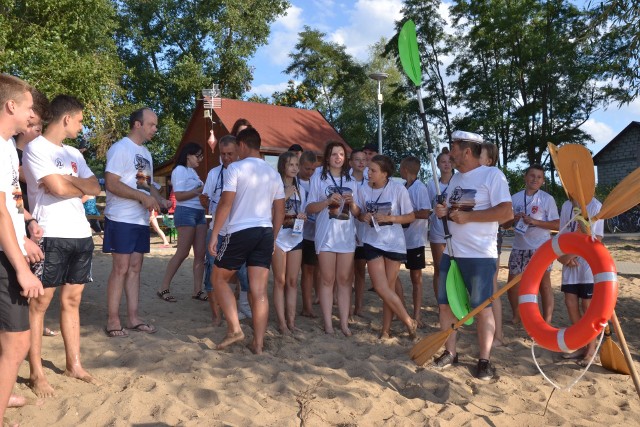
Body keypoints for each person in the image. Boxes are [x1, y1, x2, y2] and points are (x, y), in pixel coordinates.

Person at [23, 95, 102, 397]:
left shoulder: (74, 153)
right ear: (66, 118)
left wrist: (68, 182)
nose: (81, 126)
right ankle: (36, 372)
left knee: (72, 301)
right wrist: (72, 184)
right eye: (80, 120)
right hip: (51, 234)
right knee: (40, 303)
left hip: (80, 234)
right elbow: (54, 188)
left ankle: (74, 364)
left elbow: (95, 187)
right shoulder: (35, 148)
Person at [432, 130, 512, 380]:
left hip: (479, 256)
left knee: (481, 308)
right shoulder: (455, 179)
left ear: (467, 151)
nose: (450, 153)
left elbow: (506, 213)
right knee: (445, 305)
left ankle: (484, 360)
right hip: (452, 253)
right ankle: (450, 352)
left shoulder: (492, 175)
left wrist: (469, 217)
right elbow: (453, 209)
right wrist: (442, 210)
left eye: (453, 148)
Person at [208, 128, 284, 354]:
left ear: (241, 145)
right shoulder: (273, 174)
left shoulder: (235, 168)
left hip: (240, 230)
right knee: (259, 291)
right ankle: (258, 344)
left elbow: (226, 204)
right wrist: (274, 237)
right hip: (265, 231)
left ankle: (234, 329)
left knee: (218, 278)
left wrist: (215, 233)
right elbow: (279, 210)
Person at [0, 73, 45, 423]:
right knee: (17, 342)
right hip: (4, 256)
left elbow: (12, 201)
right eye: (29, 107)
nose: (32, 115)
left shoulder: (8, 148)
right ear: (11, 105)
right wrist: (20, 266)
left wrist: (26, 229)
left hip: (11, 244)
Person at [103, 107, 169, 337]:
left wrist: (158, 198)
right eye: (152, 124)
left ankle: (132, 317)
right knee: (120, 269)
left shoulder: (145, 153)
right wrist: (142, 197)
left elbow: (143, 183)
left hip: (140, 220)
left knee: (135, 269)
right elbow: (111, 183)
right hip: (121, 217)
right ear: (137, 124)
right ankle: (113, 319)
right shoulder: (120, 148)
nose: (155, 129)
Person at [357, 155, 417, 339]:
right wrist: (363, 217)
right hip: (372, 241)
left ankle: (385, 331)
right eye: (368, 169)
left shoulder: (398, 189)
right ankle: (408, 321)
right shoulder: (363, 189)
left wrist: (390, 218)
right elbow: (359, 213)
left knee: (388, 289)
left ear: (385, 174)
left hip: (394, 242)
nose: (369, 173)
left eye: (373, 170)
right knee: (380, 286)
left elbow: (411, 216)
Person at [306, 141, 360, 336]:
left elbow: (358, 212)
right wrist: (327, 201)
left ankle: (344, 323)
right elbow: (309, 207)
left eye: (341, 154)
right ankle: (328, 323)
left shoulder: (351, 180)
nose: (338, 157)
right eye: (334, 154)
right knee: (327, 279)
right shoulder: (318, 177)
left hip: (346, 236)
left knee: (344, 280)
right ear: (327, 157)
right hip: (326, 235)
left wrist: (353, 204)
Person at [201, 135, 249, 324]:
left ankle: (244, 308)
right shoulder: (215, 173)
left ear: (238, 151)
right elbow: (205, 197)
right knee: (212, 271)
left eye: (230, 153)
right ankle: (216, 315)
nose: (227, 158)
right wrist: (205, 200)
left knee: (244, 273)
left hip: (239, 230)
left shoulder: (245, 172)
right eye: (223, 154)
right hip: (218, 230)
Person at [505, 164, 559, 326]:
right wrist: (513, 219)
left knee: (544, 285)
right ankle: (517, 315)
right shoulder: (514, 198)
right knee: (512, 284)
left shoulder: (546, 199)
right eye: (532, 175)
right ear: (525, 177)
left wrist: (534, 221)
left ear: (543, 181)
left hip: (541, 248)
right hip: (519, 247)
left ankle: (546, 320)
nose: (535, 179)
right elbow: (503, 224)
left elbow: (557, 224)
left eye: (539, 177)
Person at [157, 143, 207, 302]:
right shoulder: (179, 170)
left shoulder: (193, 172)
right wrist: (198, 191)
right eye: (197, 155)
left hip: (199, 212)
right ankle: (163, 287)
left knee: (200, 254)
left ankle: (197, 290)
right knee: (183, 252)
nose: (200, 159)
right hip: (186, 212)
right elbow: (178, 196)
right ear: (188, 155)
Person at [558, 196, 604, 367]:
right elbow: (562, 233)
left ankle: (591, 349)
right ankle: (581, 344)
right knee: (570, 303)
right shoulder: (566, 204)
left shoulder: (595, 205)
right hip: (569, 263)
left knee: (587, 307)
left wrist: (571, 255)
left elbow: (596, 237)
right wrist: (563, 258)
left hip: (587, 264)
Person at [272, 152, 307, 334]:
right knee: (280, 280)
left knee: (293, 281)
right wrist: (284, 196)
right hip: (278, 236)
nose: (294, 168)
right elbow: (269, 212)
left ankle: (291, 322)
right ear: (283, 166)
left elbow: (304, 210)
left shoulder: (301, 187)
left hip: (295, 236)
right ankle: (282, 323)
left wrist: (302, 216)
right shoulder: (274, 185)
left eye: (296, 165)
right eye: (291, 164)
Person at [396, 156, 431, 328]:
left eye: (401, 167)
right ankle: (400, 309)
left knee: (416, 278)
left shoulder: (420, 188)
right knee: (393, 276)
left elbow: (426, 212)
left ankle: (417, 315)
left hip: (415, 239)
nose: (399, 170)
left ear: (406, 169)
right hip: (400, 239)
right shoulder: (402, 187)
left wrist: (407, 216)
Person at [479, 142, 505, 346]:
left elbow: (503, 213)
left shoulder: (494, 176)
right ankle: (491, 331)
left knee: (492, 287)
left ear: (489, 160)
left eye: (480, 155)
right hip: (477, 243)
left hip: (490, 240)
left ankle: (499, 334)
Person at [427, 148, 453, 300]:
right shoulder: (432, 184)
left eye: (449, 161)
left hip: (455, 231)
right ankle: (441, 302)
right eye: (443, 162)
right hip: (437, 231)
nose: (447, 164)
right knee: (440, 268)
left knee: (454, 268)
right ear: (437, 165)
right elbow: (429, 207)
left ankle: (453, 300)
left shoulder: (458, 181)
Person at [297, 150, 319, 318]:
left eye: (313, 169)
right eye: (306, 169)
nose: (310, 172)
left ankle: (309, 304)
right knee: (297, 272)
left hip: (313, 233)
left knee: (311, 269)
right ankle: (304, 306)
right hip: (295, 233)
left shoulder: (317, 182)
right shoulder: (294, 183)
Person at [349, 149, 368, 316]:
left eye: (363, 159)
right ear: (351, 163)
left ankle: (359, 306)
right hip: (346, 232)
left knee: (360, 270)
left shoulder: (371, 182)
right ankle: (346, 306)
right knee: (346, 272)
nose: (361, 162)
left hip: (364, 232)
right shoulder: (344, 180)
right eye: (357, 160)